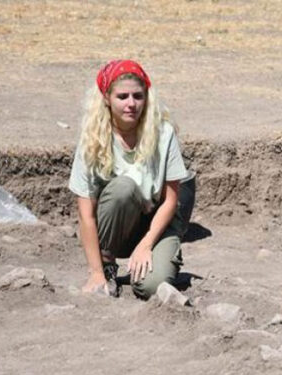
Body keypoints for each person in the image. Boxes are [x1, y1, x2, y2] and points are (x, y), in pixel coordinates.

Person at [69, 59, 195, 299]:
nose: (131, 104)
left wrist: (147, 244)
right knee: (123, 188)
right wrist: (95, 272)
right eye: (123, 96)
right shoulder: (92, 138)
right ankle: (107, 266)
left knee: (150, 287)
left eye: (138, 96)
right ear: (106, 98)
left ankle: (153, 258)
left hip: (156, 225)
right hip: (116, 229)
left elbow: (171, 200)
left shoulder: (163, 132)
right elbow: (86, 214)